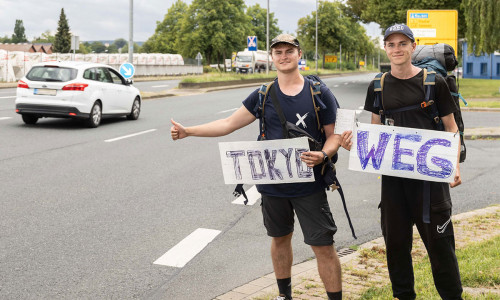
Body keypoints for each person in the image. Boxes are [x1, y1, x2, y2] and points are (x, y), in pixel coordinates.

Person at [171, 34, 344, 300]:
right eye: (278, 52)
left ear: (299, 55)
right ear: (272, 58)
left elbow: (336, 135)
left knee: (323, 246)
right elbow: (229, 124)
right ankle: (283, 296)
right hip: (272, 185)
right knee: (279, 239)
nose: (284, 56)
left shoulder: (318, 92)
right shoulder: (263, 94)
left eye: (289, 51)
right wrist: (188, 131)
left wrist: (323, 154)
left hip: (310, 184)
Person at [341, 24, 463, 300]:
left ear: (412, 46)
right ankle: (403, 295)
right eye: (391, 44)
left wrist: (455, 165)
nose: (397, 49)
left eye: (402, 44)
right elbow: (375, 134)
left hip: (431, 182)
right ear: (385, 48)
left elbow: (451, 128)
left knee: (441, 246)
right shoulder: (378, 85)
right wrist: (354, 146)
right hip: (394, 183)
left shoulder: (434, 82)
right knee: (396, 245)